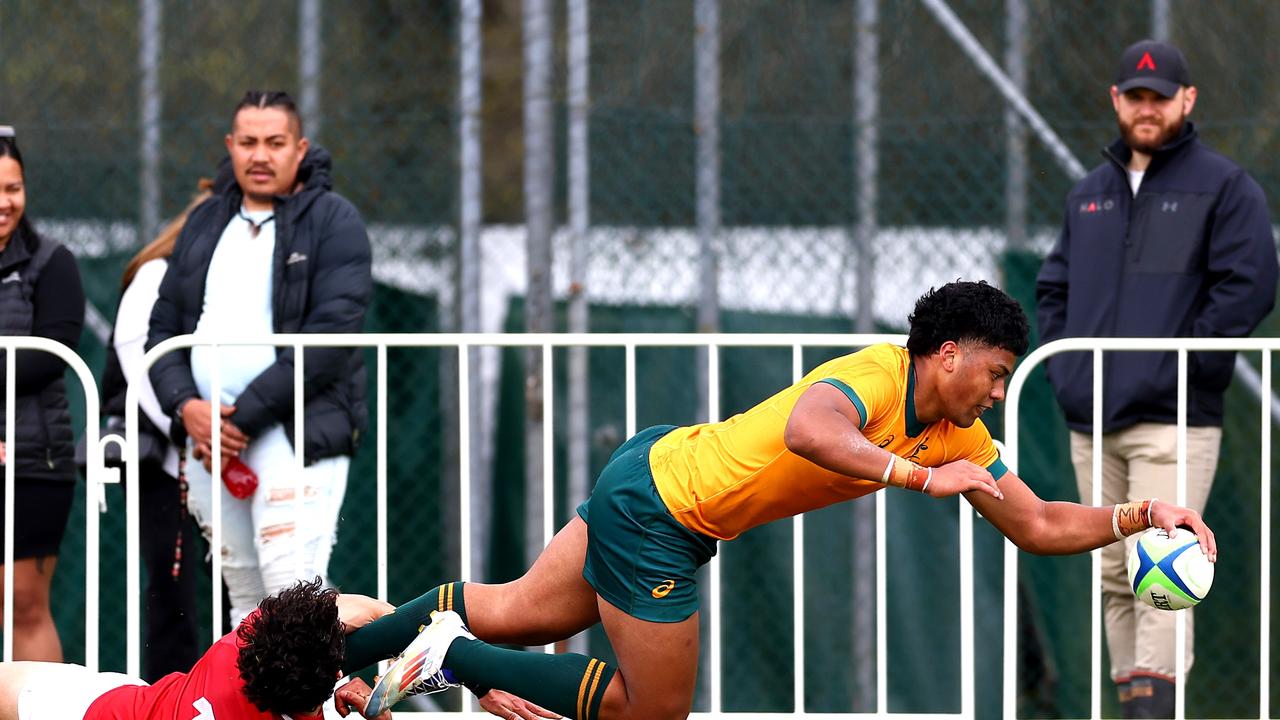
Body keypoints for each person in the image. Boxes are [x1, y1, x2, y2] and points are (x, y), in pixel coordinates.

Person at [338, 281, 1217, 720]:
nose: (996, 393)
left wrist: (1146, 515)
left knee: (521, 611)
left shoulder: (965, 438)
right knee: (654, 711)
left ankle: (335, 651)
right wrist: (915, 476)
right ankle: (449, 661)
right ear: (947, 355)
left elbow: (1034, 523)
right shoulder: (875, 375)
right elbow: (809, 429)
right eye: (992, 374)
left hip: (651, 470)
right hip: (660, 511)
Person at [1036, 39, 1277, 717]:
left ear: (1187, 100)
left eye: (1160, 96)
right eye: (1135, 96)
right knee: (1114, 572)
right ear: (1116, 100)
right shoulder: (1088, 195)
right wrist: (1067, 373)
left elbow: (1249, 284)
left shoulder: (1224, 187)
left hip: (1173, 420)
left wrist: (1181, 366)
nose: (1147, 108)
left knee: (1164, 574)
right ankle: (1136, 707)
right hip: (1092, 419)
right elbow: (1052, 290)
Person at [147, 91, 373, 625]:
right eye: (248, 142)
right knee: (245, 602)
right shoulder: (204, 222)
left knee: (291, 597)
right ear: (230, 146)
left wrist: (238, 421)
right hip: (209, 442)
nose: (260, 156)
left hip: (295, 432)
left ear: (300, 148)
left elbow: (331, 337)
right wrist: (187, 409)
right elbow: (162, 330)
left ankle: (317, 709)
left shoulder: (334, 219)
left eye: (275, 143)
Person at [0, 578, 394, 720]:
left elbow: (354, 609)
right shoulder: (307, 705)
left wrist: (393, 622)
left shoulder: (233, 653)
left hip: (95, 708)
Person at [104, 182, 213, 680]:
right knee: (174, 594)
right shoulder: (156, 274)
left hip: (213, 457)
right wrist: (188, 427)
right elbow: (140, 362)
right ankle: (168, 700)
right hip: (162, 463)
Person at [0, 126, 86, 661]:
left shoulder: (52, 262)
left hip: (33, 461)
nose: (3, 203)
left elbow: (49, 353)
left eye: (12, 188)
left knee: (23, 605)